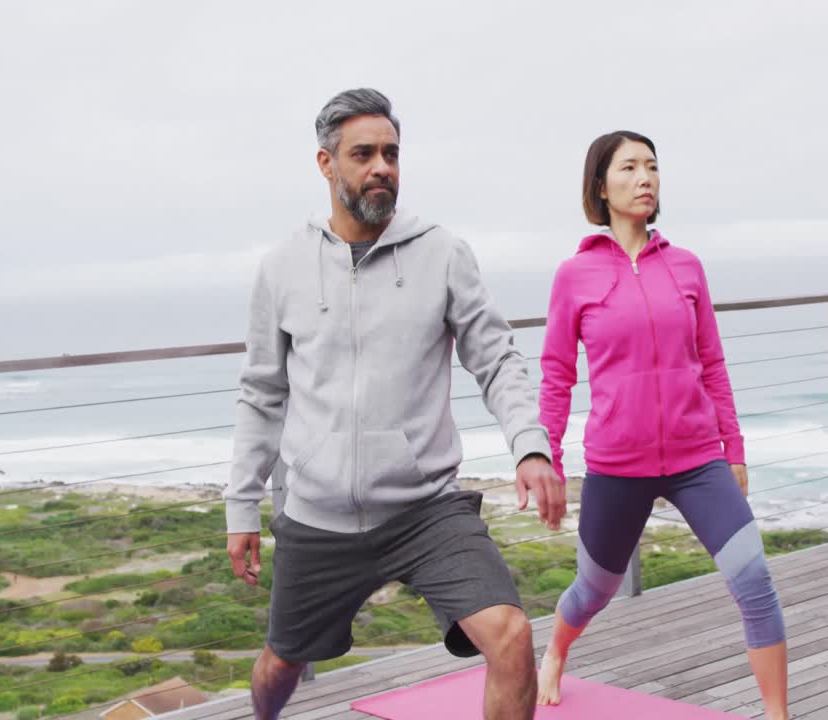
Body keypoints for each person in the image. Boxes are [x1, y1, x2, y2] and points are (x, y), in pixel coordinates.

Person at [222, 88, 565, 720]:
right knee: (280, 667)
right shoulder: (282, 267)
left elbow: (495, 358)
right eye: (364, 154)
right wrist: (241, 504)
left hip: (424, 511)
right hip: (318, 517)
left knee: (512, 637)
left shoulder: (442, 252)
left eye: (391, 153)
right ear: (327, 165)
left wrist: (530, 445)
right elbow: (262, 392)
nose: (382, 166)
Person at [535, 130, 789, 719]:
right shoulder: (575, 275)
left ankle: (778, 714)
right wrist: (548, 456)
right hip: (618, 464)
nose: (645, 177)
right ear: (601, 186)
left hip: (697, 457)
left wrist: (735, 447)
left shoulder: (686, 266)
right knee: (593, 592)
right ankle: (555, 650)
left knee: (754, 582)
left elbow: (713, 362)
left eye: (652, 166)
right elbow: (555, 374)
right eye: (629, 168)